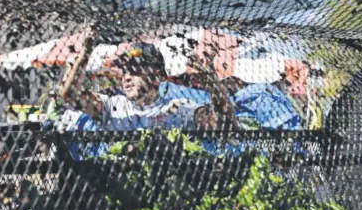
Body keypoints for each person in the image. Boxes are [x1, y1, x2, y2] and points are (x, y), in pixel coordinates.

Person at [59, 28, 237, 132]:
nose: (127, 77)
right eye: (124, 70)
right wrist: (85, 53)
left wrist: (214, 84)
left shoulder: (177, 108)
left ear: (157, 76)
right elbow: (70, 95)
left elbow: (225, 127)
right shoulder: (112, 107)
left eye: (135, 70)